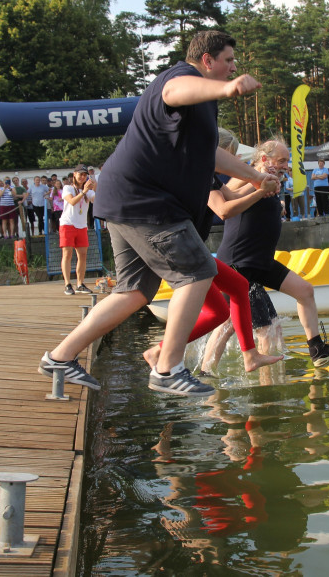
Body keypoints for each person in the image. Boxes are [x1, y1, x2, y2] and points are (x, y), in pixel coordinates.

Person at [39, 30, 276, 397]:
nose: (233, 68)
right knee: (198, 271)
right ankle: (168, 369)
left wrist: (256, 177)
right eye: (228, 61)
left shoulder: (202, 105)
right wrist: (227, 88)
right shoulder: (181, 77)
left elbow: (211, 153)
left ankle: (61, 356)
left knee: (134, 292)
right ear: (207, 60)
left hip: (126, 200)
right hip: (145, 201)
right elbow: (173, 91)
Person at [143, 128, 284, 375]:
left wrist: (260, 183)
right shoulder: (197, 170)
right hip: (179, 241)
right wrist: (261, 190)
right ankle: (164, 354)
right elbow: (223, 210)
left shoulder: (208, 173)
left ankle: (243, 358)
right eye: (231, 155)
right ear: (217, 151)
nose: (234, 161)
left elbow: (233, 194)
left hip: (186, 242)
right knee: (226, 306)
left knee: (223, 309)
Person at [219, 139, 329, 368]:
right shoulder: (247, 173)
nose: (285, 166)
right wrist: (258, 180)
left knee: (305, 291)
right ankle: (206, 368)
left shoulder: (271, 179)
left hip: (261, 261)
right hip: (239, 262)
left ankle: (317, 349)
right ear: (264, 159)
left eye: (286, 161)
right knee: (237, 326)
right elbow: (227, 196)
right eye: (281, 160)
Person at [59, 166, 96, 295]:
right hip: (68, 224)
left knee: (83, 255)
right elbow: (72, 201)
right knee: (67, 254)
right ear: (74, 174)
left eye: (85, 175)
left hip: (82, 225)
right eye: (80, 174)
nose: (82, 177)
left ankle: (80, 284)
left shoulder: (87, 191)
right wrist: (83, 192)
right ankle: (67, 284)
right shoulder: (68, 188)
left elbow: (97, 199)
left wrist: (94, 187)